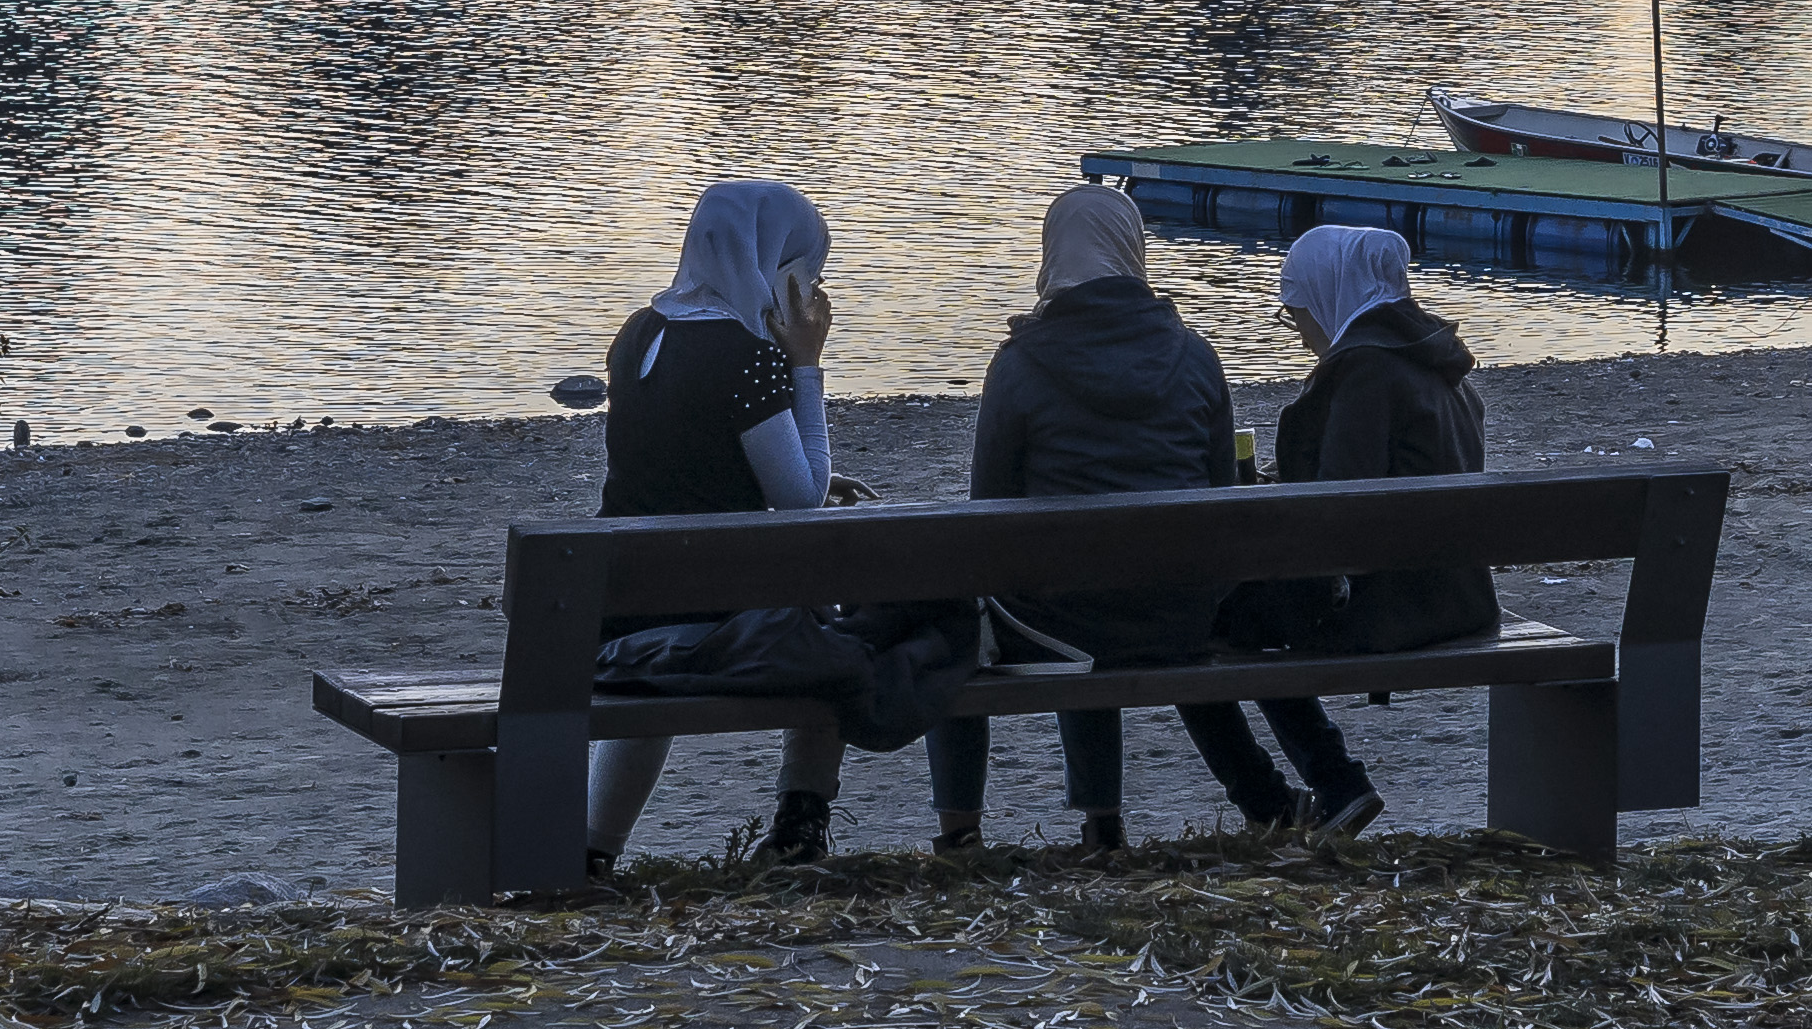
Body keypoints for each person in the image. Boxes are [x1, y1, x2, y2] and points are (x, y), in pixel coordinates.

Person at [923, 183, 1237, 855]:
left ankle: (961, 832)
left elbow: (989, 510)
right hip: (1178, 618)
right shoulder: (1196, 355)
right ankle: (1103, 826)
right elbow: (1225, 497)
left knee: (953, 621)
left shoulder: (1020, 362)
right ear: (1133, 250)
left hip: (1061, 627)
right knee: (1089, 584)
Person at [1185, 226, 1498, 841]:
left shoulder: (1364, 371)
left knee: (1193, 629)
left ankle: (1311, 792)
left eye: (1296, 310)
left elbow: (1335, 516)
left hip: (1394, 607)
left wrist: (1265, 506)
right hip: (1458, 596)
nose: (1299, 329)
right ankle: (1328, 785)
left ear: (1330, 294)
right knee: (1239, 619)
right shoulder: (1439, 364)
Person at [589, 180, 854, 873]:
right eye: (808, 270)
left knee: (658, 684)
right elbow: (801, 500)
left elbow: (683, 457)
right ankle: (798, 829)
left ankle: (592, 850)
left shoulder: (640, 332)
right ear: (776, 263)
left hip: (617, 613)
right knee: (840, 639)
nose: (811, 286)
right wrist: (807, 365)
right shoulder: (748, 357)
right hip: (705, 630)